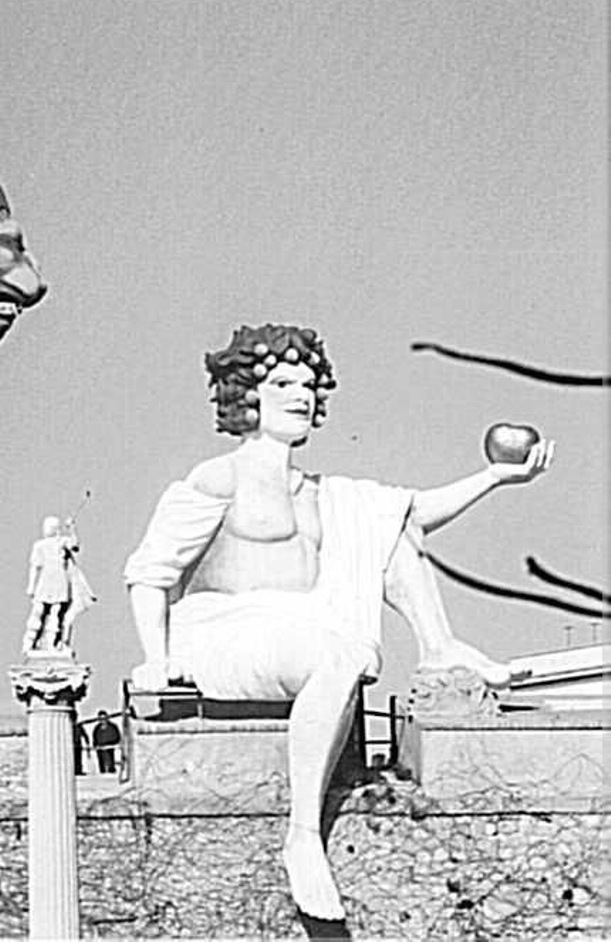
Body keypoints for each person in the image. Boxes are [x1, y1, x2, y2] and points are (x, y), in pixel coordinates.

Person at [123, 324, 552, 921]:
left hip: (302, 624)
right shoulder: (219, 477)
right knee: (338, 653)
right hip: (224, 631)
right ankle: (303, 834)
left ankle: (440, 646)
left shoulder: (322, 492)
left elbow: (417, 512)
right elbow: (151, 570)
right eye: (282, 384)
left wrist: (495, 477)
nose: (300, 395)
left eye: (307, 384)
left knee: (384, 519)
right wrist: (155, 657)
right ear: (248, 394)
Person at [22, 514, 97, 654]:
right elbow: (35, 566)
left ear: (56, 529)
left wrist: (71, 529)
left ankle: (51, 643)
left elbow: (74, 546)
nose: (46, 529)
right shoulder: (39, 545)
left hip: (60, 579)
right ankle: (29, 643)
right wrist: (31, 586)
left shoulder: (62, 542)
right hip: (45, 580)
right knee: (39, 610)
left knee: (57, 611)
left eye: (49, 527)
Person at [90, 710, 121, 775]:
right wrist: (96, 745)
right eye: (100, 719)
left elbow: (117, 737)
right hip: (100, 750)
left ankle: (111, 770)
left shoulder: (112, 726)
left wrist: (110, 744)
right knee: (102, 767)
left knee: (110, 764)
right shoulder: (97, 728)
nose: (103, 720)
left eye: (104, 718)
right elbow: (94, 738)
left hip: (110, 749)